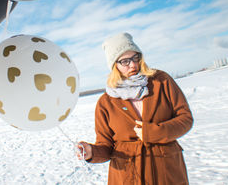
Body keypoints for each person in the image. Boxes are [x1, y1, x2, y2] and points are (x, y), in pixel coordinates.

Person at [77, 32, 193, 185]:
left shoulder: (161, 81)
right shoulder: (105, 103)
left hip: (166, 174)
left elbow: (185, 119)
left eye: (135, 57)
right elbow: (106, 146)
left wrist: (155, 132)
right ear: (114, 65)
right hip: (128, 177)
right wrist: (92, 152)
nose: (132, 65)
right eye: (124, 61)